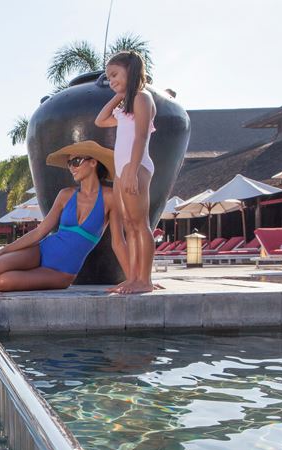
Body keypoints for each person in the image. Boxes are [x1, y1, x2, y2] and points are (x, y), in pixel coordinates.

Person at [0, 141, 129, 292]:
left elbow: (118, 243)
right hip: (42, 251)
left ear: (93, 163)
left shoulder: (110, 197)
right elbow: (40, 231)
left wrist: (134, 280)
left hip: (61, 272)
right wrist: (3, 250)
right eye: (69, 163)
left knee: (3, 282)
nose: (71, 168)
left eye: (76, 162)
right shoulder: (65, 195)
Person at [95, 50, 157, 294]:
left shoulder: (143, 98)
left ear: (130, 71)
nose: (111, 81)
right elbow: (100, 120)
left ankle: (145, 280)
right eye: (109, 77)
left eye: (115, 75)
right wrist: (118, 95)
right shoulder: (125, 107)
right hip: (123, 169)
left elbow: (140, 136)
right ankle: (133, 278)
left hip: (136, 165)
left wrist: (132, 169)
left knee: (140, 224)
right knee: (129, 225)